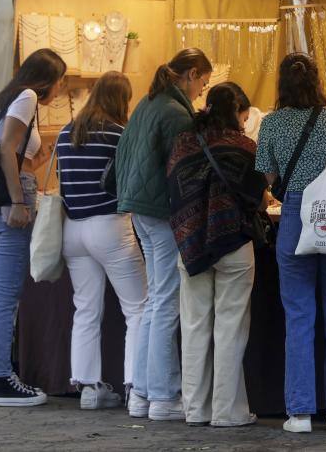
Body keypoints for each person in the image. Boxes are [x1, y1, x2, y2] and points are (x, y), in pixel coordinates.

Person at [255, 53, 326, 434]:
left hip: (295, 219)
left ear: (281, 84)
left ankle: (300, 413)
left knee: (299, 317)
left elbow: (269, 179)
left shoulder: (270, 124)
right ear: (318, 80)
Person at [115, 48, 212, 421]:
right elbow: (186, 169)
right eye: (202, 82)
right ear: (190, 74)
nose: (203, 90)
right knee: (167, 302)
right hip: (161, 212)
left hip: (139, 208)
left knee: (156, 301)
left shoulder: (149, 103)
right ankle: (162, 395)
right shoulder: (175, 113)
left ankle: (141, 393)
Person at [168, 82, 268, 427]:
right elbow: (259, 197)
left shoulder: (183, 144)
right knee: (230, 327)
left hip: (191, 243)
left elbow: (174, 188)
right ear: (237, 112)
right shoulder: (245, 147)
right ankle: (227, 412)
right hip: (234, 244)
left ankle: (194, 410)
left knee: (194, 326)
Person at [0, 48, 66, 407]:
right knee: (4, 295)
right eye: (60, 81)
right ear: (48, 79)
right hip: (9, 201)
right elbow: (6, 149)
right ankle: (1, 378)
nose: (60, 89)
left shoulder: (5, 97)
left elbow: (8, 147)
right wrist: (17, 201)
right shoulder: (27, 97)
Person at [57, 72, 147, 410]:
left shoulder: (68, 132)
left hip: (73, 229)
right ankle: (137, 388)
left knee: (86, 309)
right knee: (137, 309)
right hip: (109, 226)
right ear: (120, 100)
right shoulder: (119, 134)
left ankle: (89, 389)